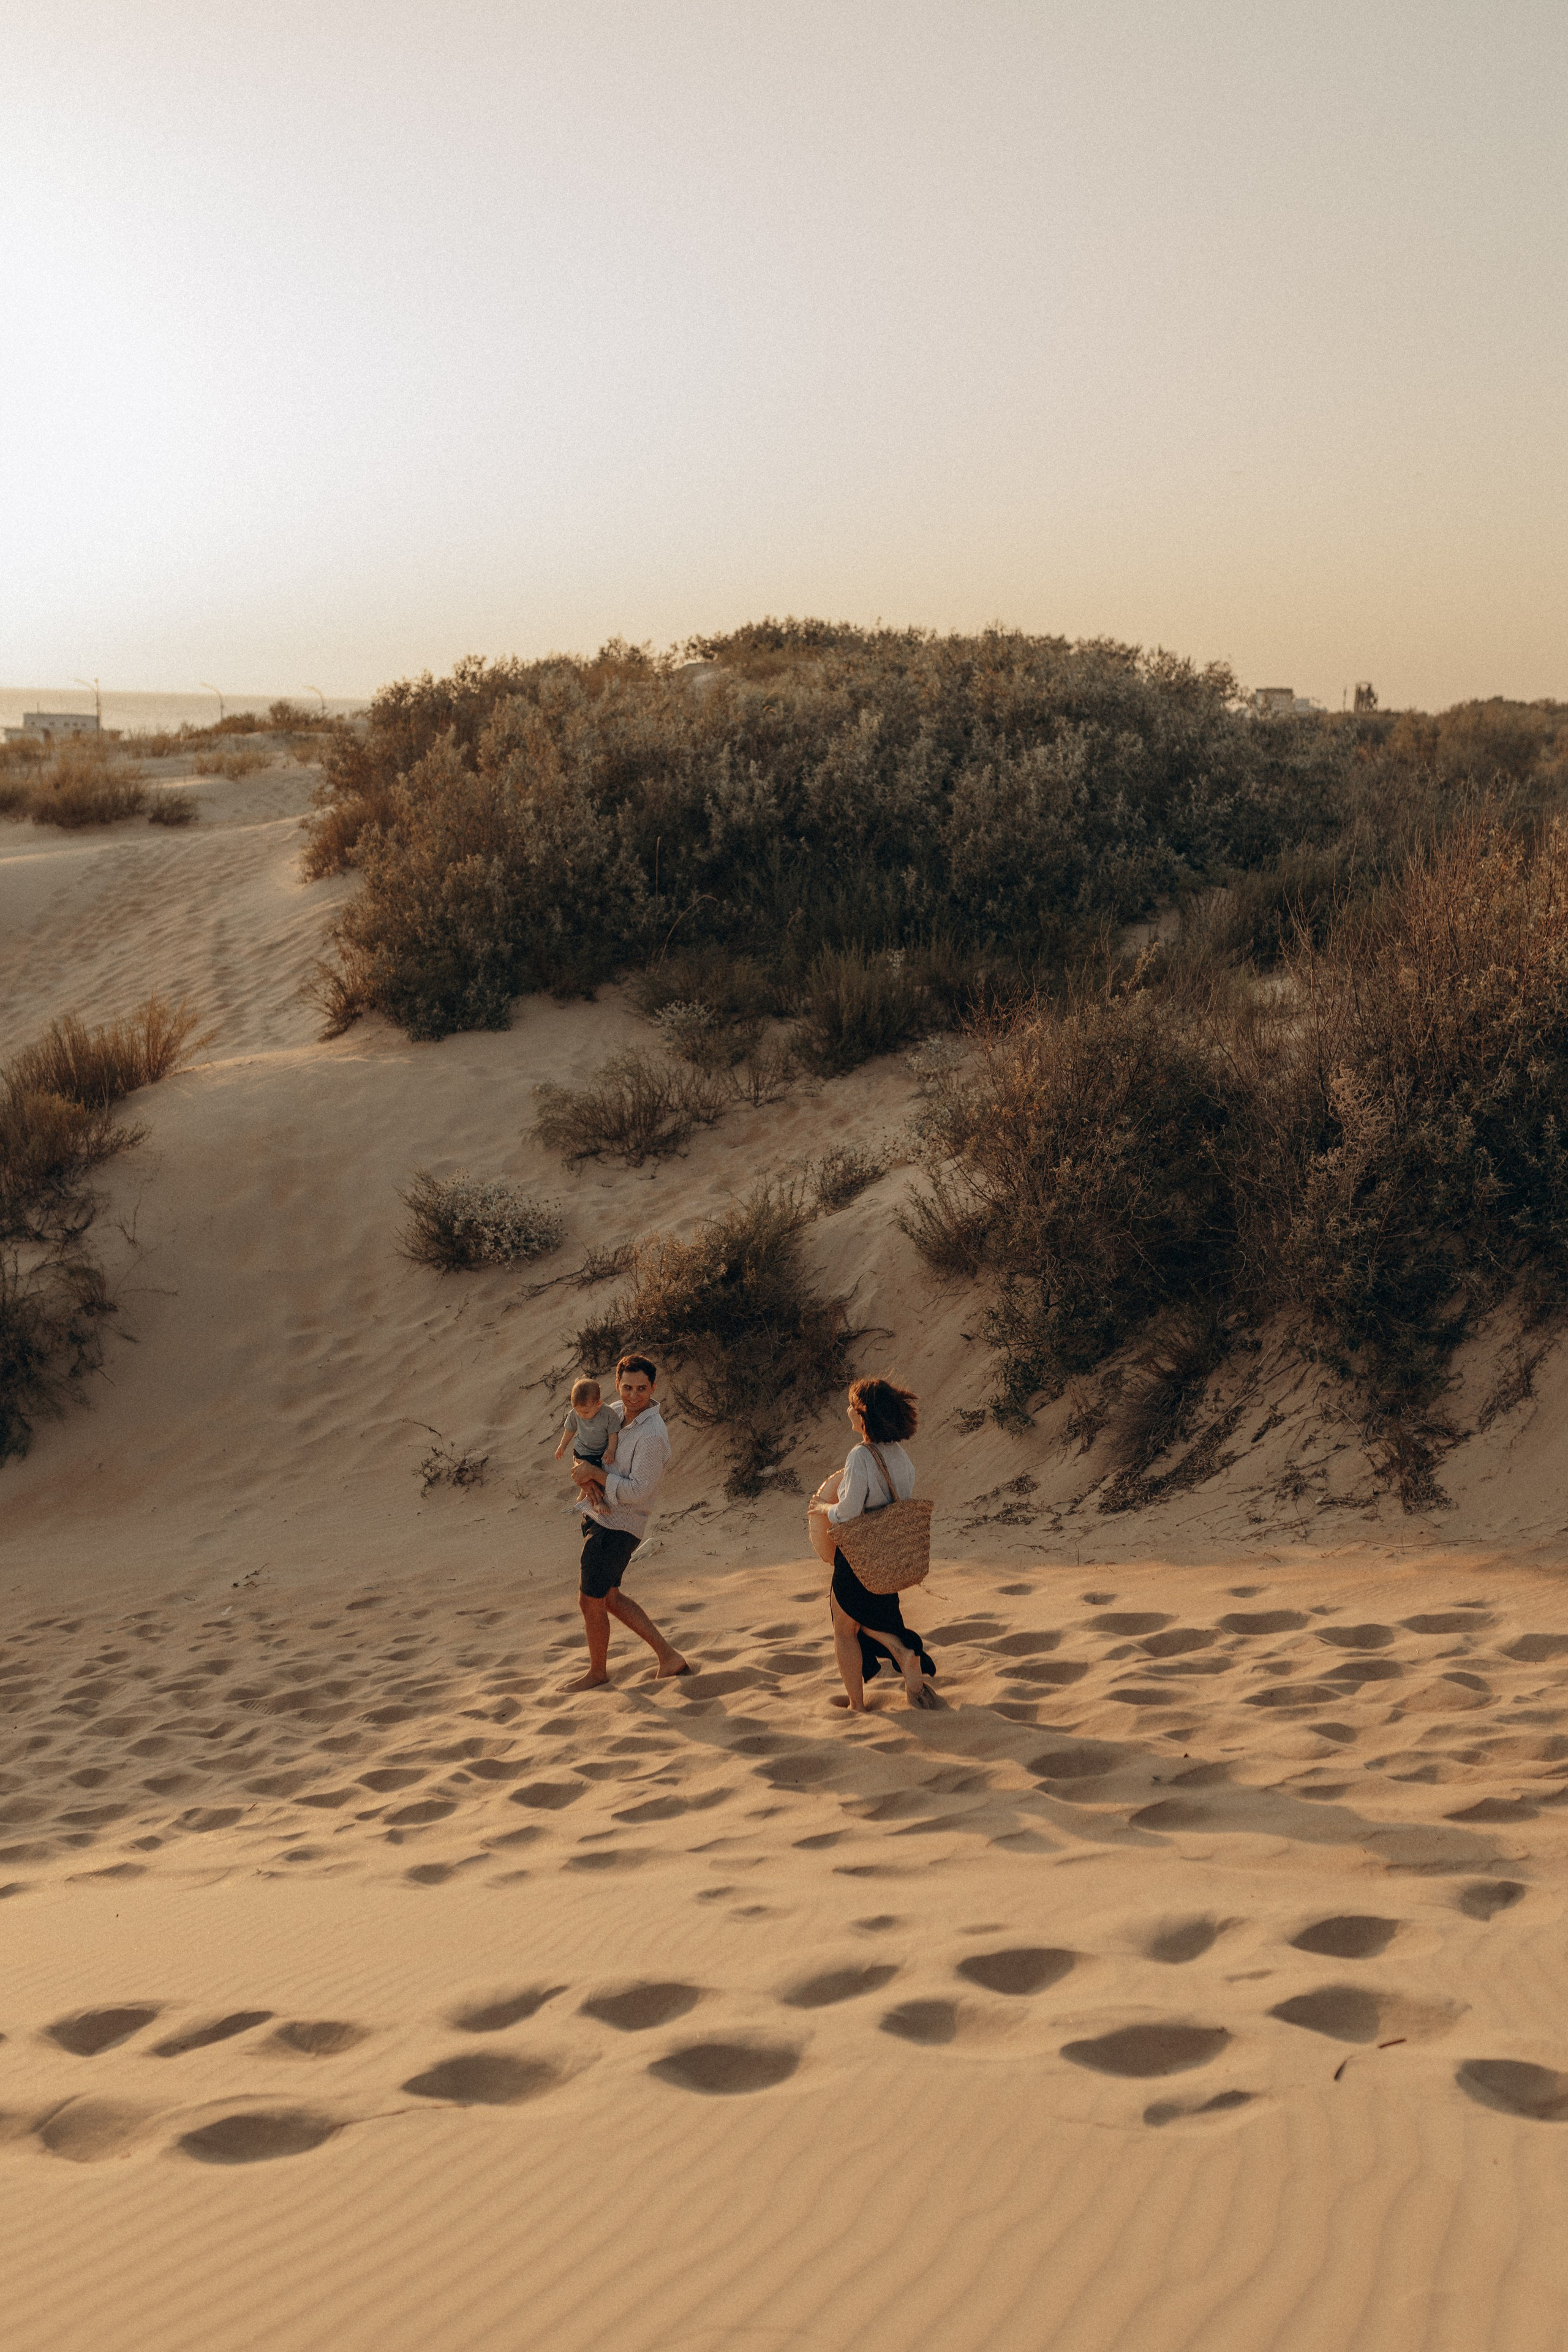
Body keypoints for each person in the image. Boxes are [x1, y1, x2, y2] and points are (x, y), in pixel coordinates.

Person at [809, 1375, 937, 1713]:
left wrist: (824, 1509)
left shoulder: (861, 1456)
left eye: (853, 1405)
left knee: (844, 1628)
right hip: (887, 1558)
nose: (849, 1410)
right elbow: (901, 1502)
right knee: (870, 1618)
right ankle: (902, 1652)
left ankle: (856, 1705)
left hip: (858, 1556)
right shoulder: (900, 1456)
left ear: (863, 1413)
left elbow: (849, 1512)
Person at [564, 1354, 688, 1690]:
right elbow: (584, 1442)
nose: (634, 1395)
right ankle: (669, 1657)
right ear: (617, 1385)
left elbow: (638, 1492)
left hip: (620, 1526)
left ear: (654, 1388)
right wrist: (583, 1470)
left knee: (589, 1599)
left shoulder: (652, 1435)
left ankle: (598, 1672)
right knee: (610, 1598)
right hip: (597, 1516)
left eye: (642, 1388)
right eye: (628, 1387)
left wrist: (596, 1475)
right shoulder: (612, 1413)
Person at [554, 1376, 618, 1503]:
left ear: (599, 1404)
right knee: (587, 1474)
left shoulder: (609, 1415)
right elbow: (570, 1429)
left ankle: (583, 1499)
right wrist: (562, 1445)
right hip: (581, 1450)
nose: (582, 1416)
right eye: (579, 1412)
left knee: (594, 1475)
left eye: (586, 1412)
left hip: (598, 1452)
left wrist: (611, 1450)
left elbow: (613, 1434)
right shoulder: (575, 1413)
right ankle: (595, 1502)